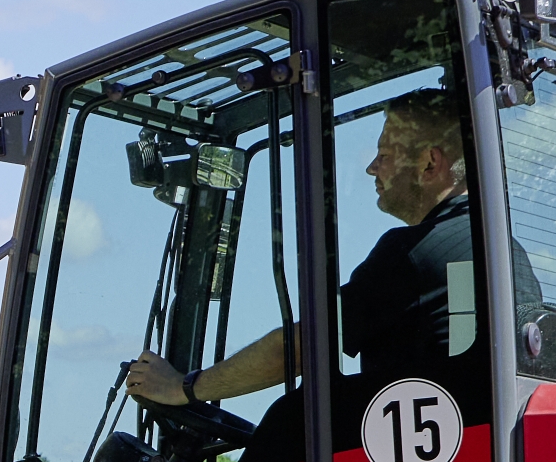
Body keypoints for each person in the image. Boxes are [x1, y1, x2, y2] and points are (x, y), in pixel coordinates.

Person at [126, 87, 476, 412]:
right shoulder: (498, 255)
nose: (372, 167)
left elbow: (301, 347)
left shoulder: (413, 255)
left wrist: (184, 387)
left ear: (430, 163)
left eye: (384, 154)